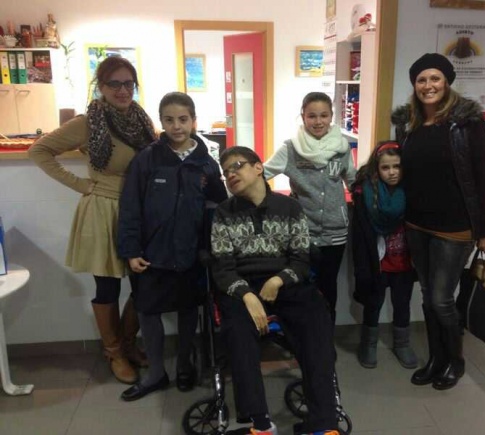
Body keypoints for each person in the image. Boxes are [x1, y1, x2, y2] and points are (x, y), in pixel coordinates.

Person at [28, 56, 156, 384]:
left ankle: (128, 343)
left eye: (128, 83)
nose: (123, 90)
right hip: (104, 210)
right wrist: (81, 185)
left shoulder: (141, 120)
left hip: (140, 211)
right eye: (114, 83)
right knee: (108, 285)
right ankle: (114, 352)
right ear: (101, 86)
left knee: (144, 283)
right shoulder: (89, 122)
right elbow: (39, 151)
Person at [211, 146, 339, 435]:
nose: (231, 174)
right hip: (242, 286)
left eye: (237, 166)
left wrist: (278, 280)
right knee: (238, 336)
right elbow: (222, 268)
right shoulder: (223, 213)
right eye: (226, 172)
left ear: (259, 167)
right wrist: (247, 295)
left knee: (317, 330)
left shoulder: (290, 208)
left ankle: (323, 424)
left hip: (286, 283)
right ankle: (260, 423)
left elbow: (301, 259)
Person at [391, 53, 485, 390]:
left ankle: (455, 361)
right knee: (427, 296)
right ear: (414, 85)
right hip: (417, 224)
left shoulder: (468, 123)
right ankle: (436, 359)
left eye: (435, 78)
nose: (428, 85)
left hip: (455, 227)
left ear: (447, 81)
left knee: (441, 298)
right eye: (421, 80)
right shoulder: (407, 123)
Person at [117, 92, 227, 401]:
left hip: (191, 255)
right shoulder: (147, 160)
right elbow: (130, 208)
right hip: (152, 254)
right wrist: (131, 251)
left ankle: (184, 365)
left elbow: (219, 206)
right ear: (161, 122)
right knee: (148, 311)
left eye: (182, 119)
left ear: (194, 121)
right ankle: (155, 373)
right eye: (169, 120)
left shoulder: (206, 163)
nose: (176, 126)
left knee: (188, 309)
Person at [263, 92, 356, 324]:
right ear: (303, 117)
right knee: (300, 285)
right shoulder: (291, 148)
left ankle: (326, 333)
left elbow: (352, 181)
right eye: (312, 116)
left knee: (328, 285)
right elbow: (261, 174)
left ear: (331, 116)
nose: (318, 121)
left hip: (335, 232)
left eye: (324, 115)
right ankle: (304, 334)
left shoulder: (342, 148)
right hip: (302, 232)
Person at [351, 141, 417, 370]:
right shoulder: (365, 193)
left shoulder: (411, 191)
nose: (392, 172)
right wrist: (361, 267)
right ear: (376, 169)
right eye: (385, 167)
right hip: (377, 262)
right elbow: (359, 236)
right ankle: (368, 344)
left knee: (402, 304)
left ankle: (402, 344)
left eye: (397, 166)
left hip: (404, 261)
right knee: (373, 304)